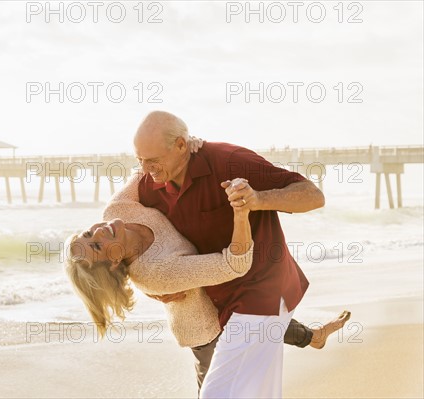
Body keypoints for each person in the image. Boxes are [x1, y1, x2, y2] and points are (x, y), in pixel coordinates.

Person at [131, 110, 343, 398]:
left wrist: (258, 199)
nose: (146, 168)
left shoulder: (230, 160)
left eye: (152, 159)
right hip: (213, 307)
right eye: (140, 160)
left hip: (262, 291)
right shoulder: (148, 185)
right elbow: (128, 236)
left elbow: (312, 195)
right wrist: (152, 289)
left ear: (181, 145)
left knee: (216, 394)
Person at [65, 177, 254, 349]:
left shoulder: (117, 209)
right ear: (114, 261)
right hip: (211, 335)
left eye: (88, 234)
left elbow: (145, 169)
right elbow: (235, 265)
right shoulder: (156, 272)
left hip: (239, 302)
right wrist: (240, 210)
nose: (98, 232)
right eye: (97, 246)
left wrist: (187, 142)